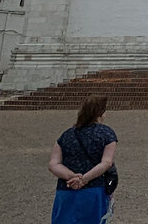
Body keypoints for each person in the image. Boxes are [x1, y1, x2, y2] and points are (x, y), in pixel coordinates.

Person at [48, 94, 117, 224]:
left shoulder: (66, 135)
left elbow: (53, 164)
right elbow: (106, 162)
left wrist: (71, 176)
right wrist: (84, 179)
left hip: (66, 189)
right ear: (100, 113)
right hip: (94, 189)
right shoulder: (107, 134)